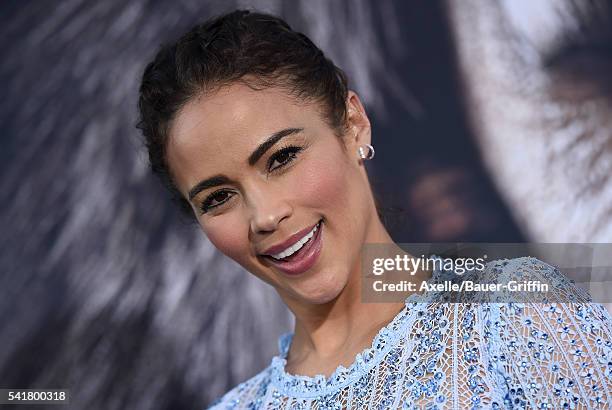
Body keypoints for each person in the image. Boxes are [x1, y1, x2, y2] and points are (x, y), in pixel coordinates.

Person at [136, 9, 612, 409]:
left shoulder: (517, 316)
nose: (263, 215)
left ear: (353, 125)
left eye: (282, 158)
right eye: (217, 198)